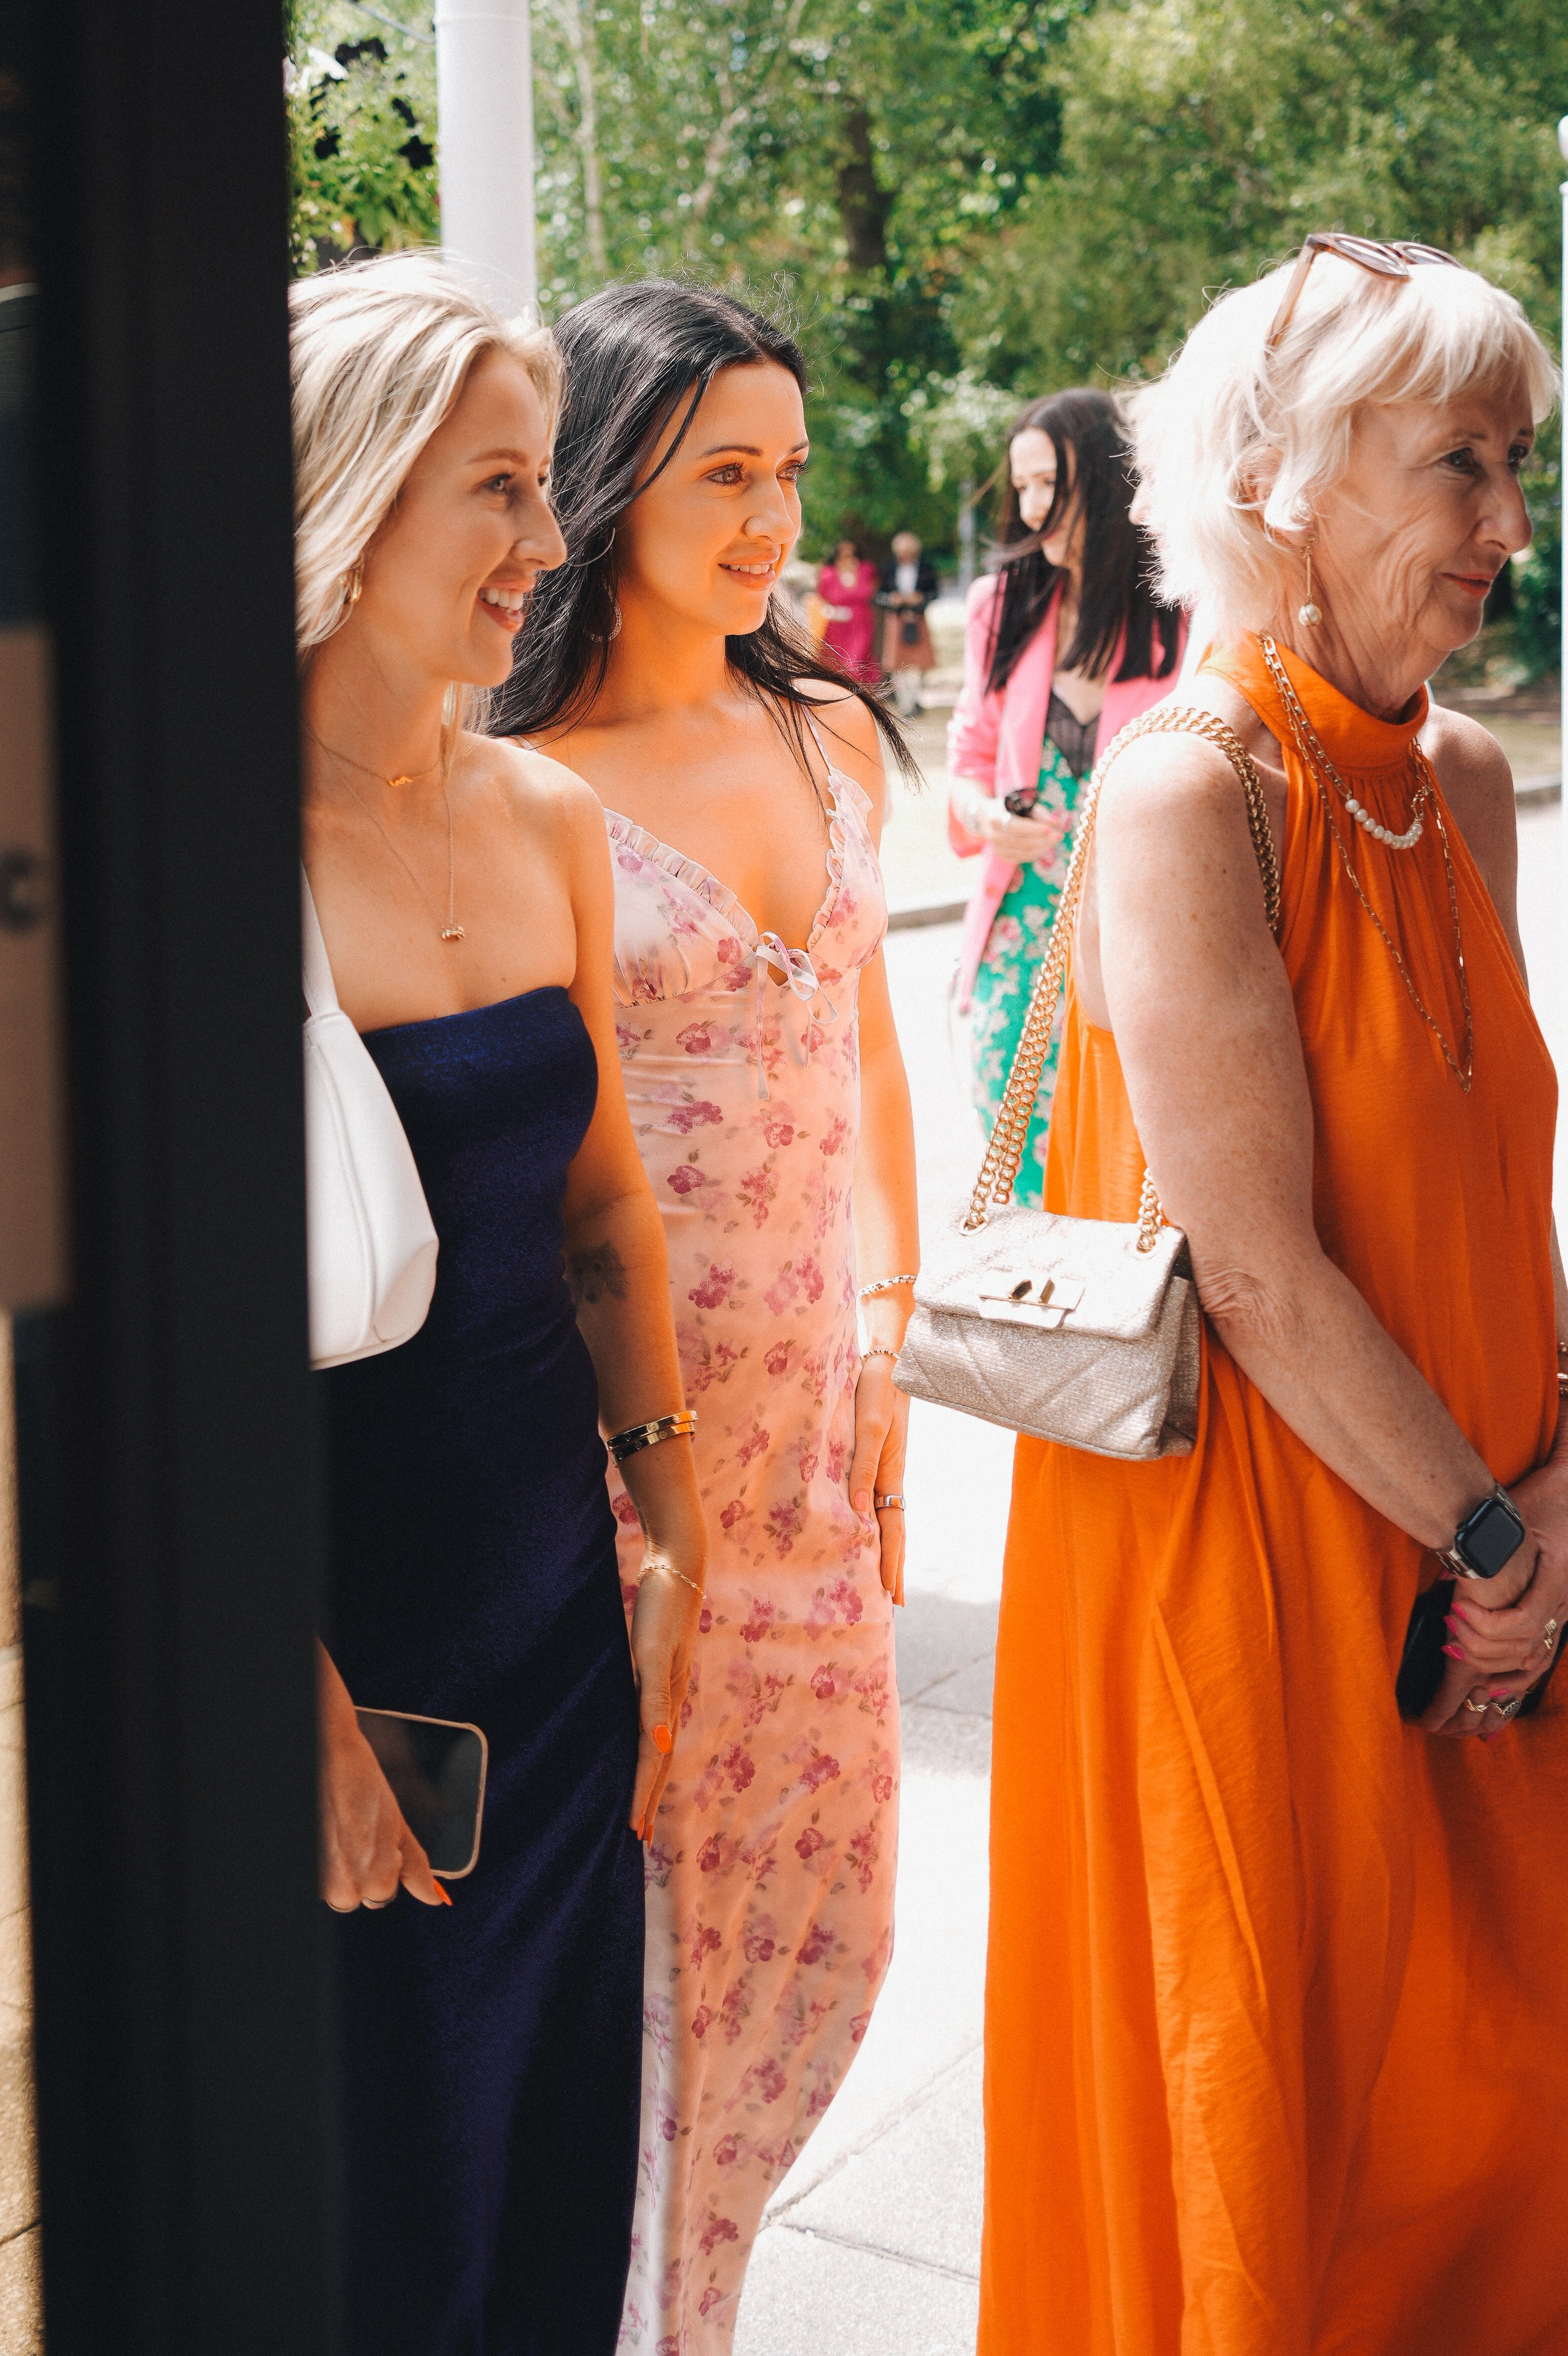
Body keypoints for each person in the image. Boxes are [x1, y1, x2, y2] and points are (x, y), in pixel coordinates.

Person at [978, 238, 1568, 2354]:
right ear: (1289, 481)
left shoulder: (1462, 779)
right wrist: (1499, 1533)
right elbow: (1252, 1265)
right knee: (1286, 2160)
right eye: (1463, 466)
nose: (1510, 525)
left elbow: (1501, 1175)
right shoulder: (1185, 782)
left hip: (1490, 1533)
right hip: (1265, 1555)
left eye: (1518, 467)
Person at [490, 281, 918, 2352]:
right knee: (636, 1957)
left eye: (789, 470)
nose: (773, 515)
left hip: (814, 1448)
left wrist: (895, 1313)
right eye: (724, 470)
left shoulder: (820, 729)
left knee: (820, 1936)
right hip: (616, 1447)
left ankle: (703, 2305)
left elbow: (868, 1028)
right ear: (609, 484)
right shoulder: (518, 777)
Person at [295, 256, 708, 2355]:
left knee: (554, 2179)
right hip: (338, 1647)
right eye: (498, 490)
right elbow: (121, 1363)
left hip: (558, 1636)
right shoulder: (189, 857)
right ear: (352, 502)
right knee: (385, 2213)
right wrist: (276, 1692)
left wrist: (674, 1524)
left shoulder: (546, 816)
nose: (549, 548)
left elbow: (609, 1211)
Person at [946, 388, 1183, 1205]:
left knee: (1136, 1182)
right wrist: (984, 817)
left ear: (1112, 481)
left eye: (1052, 483)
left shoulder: (1187, 617)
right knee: (1019, 1169)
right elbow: (969, 758)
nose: (1033, 506)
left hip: (1150, 945)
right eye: (1024, 487)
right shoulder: (999, 606)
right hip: (1020, 942)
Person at [875, 529, 937, 716]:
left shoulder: (926, 568)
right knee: (896, 664)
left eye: (910, 552)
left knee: (919, 663)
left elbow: (935, 593)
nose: (906, 556)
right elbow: (877, 596)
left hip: (918, 619)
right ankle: (904, 703)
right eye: (903, 552)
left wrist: (921, 599)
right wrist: (892, 600)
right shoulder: (887, 568)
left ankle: (915, 700)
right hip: (896, 619)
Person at [816, 533, 880, 685]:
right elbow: (822, 600)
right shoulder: (828, 573)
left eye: (851, 553)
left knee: (856, 661)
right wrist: (832, 612)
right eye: (843, 553)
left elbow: (873, 589)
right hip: (838, 625)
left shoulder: (866, 569)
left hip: (862, 622)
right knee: (838, 662)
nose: (847, 556)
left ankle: (857, 693)